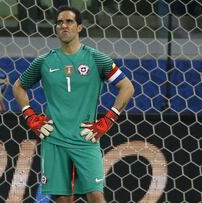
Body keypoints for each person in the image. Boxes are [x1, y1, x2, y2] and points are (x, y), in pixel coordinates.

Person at [13, 6, 134, 203]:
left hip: (85, 140)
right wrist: (31, 117)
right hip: (54, 139)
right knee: (63, 198)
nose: (64, 25)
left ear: (79, 27)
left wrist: (107, 120)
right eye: (60, 22)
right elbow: (18, 87)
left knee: (96, 195)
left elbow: (127, 87)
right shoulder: (44, 61)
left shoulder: (96, 58)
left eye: (69, 21)